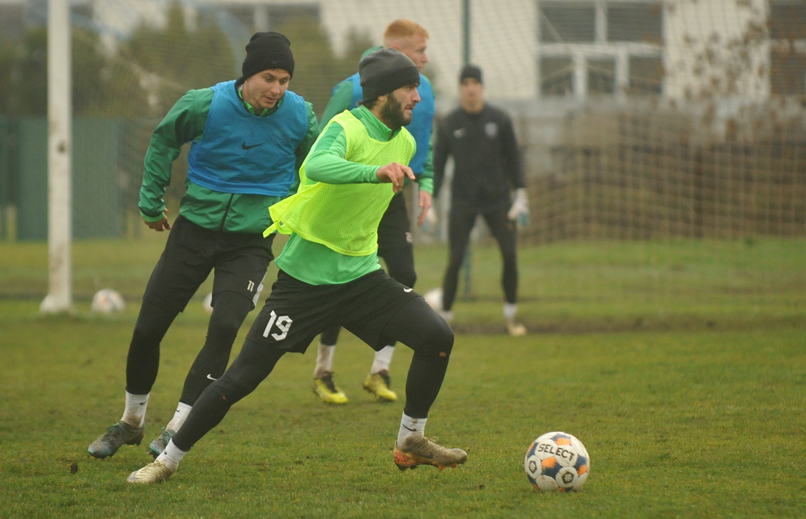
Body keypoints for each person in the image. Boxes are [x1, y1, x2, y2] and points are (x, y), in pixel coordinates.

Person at [126, 48, 468, 483]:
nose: (417, 97)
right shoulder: (344, 126)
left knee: (437, 337)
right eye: (409, 87)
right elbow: (317, 164)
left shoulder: (405, 142)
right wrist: (373, 172)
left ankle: (410, 440)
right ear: (383, 93)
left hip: (362, 279)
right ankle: (167, 460)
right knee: (241, 378)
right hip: (304, 285)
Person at [87, 32, 320, 460]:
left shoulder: (301, 116)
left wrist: (301, 216)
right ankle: (131, 422)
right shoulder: (205, 104)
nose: (277, 89)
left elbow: (315, 168)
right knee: (147, 329)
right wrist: (151, 200)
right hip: (193, 232)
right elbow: (163, 140)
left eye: (284, 80)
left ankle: (177, 427)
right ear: (248, 76)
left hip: (252, 242)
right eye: (269, 78)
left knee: (225, 326)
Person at [311, 19, 436, 405]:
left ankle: (379, 369)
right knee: (338, 281)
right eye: (419, 51)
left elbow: (424, 142)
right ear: (397, 53)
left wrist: (426, 183)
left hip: (390, 194)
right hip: (349, 198)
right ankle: (323, 371)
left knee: (405, 274)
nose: (425, 59)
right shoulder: (351, 89)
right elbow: (321, 144)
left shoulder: (425, 91)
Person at [433, 64, 528, 336]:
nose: (470, 88)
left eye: (475, 83)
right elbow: (438, 165)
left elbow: (514, 159)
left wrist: (521, 193)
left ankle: (511, 316)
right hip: (463, 201)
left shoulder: (500, 120)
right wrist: (430, 201)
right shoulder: (450, 123)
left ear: (482, 87)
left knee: (509, 255)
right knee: (455, 258)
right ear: (460, 88)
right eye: (465, 83)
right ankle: (446, 317)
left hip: (498, 201)